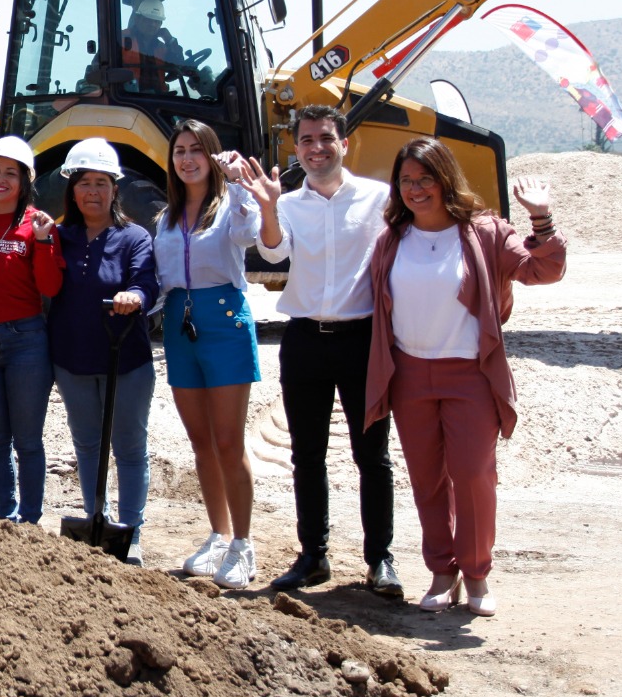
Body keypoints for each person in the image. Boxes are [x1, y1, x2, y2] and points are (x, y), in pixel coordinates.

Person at [365, 138, 565, 617]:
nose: (416, 190)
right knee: (427, 479)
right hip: (410, 373)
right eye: (407, 181)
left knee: (474, 475)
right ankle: (441, 571)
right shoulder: (391, 240)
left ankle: (476, 574)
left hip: (469, 374)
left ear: (445, 178)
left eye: (425, 179)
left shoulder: (485, 233)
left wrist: (542, 219)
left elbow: (543, 270)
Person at [238, 104, 402, 596]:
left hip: (363, 340)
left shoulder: (379, 199)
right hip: (305, 339)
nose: (316, 148)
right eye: (306, 140)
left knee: (371, 455)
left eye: (326, 138)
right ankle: (313, 556)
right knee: (307, 457)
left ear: (344, 143)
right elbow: (271, 253)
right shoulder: (287, 204)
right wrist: (268, 206)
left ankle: (380, 561)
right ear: (296, 147)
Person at [156, 119, 263, 590]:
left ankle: (243, 543)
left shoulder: (229, 207)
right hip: (180, 322)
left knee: (228, 442)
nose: (186, 158)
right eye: (179, 150)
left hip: (223, 320)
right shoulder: (164, 216)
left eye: (197, 149)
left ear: (213, 155)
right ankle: (218, 535)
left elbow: (252, 235)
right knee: (200, 442)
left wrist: (241, 184)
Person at [49, 139, 158, 550]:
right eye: (83, 182)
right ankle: (98, 519)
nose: (91, 191)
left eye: (100, 182)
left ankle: (130, 534)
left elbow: (146, 281)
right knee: (88, 444)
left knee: (129, 446)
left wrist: (136, 297)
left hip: (125, 360)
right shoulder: (59, 236)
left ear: (115, 188)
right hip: (72, 361)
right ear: (71, 189)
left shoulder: (133, 237)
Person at [0, 136, 62, 521]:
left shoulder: (36, 225)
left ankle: (31, 520)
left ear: (25, 182)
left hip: (27, 344)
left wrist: (42, 243)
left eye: (11, 173)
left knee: (28, 442)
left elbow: (50, 287)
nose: (0, 180)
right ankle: (6, 518)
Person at [119, 0, 186, 95]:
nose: (152, 24)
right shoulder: (121, 39)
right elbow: (99, 65)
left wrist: (170, 40)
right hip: (130, 99)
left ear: (161, 24)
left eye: (157, 21)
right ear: (137, 19)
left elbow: (179, 66)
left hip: (157, 99)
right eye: (148, 20)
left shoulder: (162, 47)